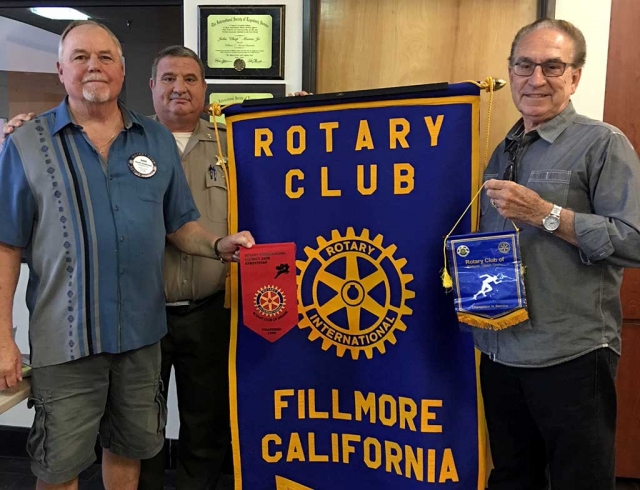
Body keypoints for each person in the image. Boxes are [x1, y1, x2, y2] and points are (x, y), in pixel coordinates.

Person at [0, 21, 254, 490]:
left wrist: (218, 246)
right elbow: (7, 245)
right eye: (80, 57)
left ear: (122, 69)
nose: (93, 66)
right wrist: (3, 337)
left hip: (141, 338)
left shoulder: (154, 141)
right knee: (59, 466)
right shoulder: (25, 144)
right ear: (61, 69)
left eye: (104, 57)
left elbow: (180, 225)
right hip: (65, 344)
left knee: (131, 452)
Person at [478, 18, 640, 490]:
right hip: (500, 346)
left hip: (571, 354)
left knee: (579, 481)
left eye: (553, 66)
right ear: (510, 70)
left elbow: (634, 238)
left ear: (575, 77)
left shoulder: (603, 143)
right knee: (512, 476)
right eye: (525, 65)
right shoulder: (499, 145)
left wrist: (549, 214)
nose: (536, 79)